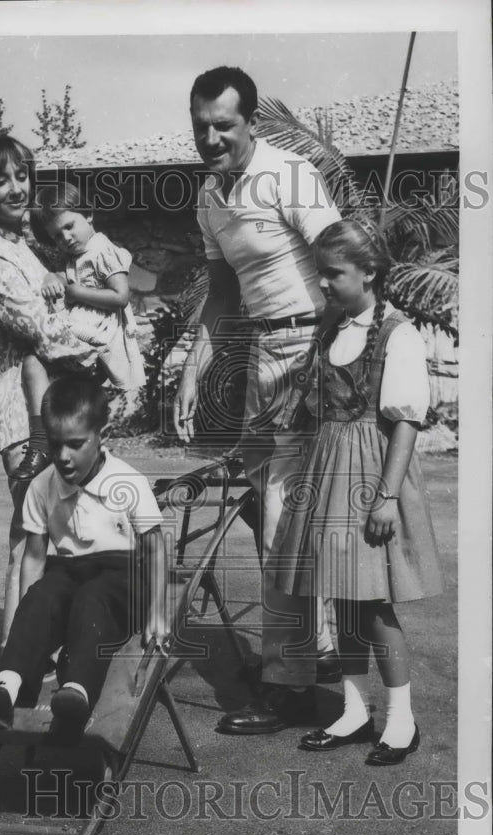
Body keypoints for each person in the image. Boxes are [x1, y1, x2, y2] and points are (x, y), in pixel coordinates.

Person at [174, 65, 343, 735]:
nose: (211, 138)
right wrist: (193, 368)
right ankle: (318, 644)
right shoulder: (210, 195)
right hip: (258, 357)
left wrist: (332, 361)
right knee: (258, 503)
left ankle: (292, 688)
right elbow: (221, 296)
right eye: (201, 127)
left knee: (282, 517)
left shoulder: (290, 174)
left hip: (309, 350)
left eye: (224, 125)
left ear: (250, 122)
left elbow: (341, 264)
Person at [271, 218, 442, 763]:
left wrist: (387, 496)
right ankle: (353, 709)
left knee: (371, 606)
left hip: (370, 476)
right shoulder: (332, 329)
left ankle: (401, 720)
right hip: (327, 471)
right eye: (319, 274)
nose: (322, 284)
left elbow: (406, 423)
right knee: (340, 600)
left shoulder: (398, 335)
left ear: (369, 272)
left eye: (333, 274)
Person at [0, 375, 168, 743]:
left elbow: (155, 548)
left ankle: (77, 695)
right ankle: (6, 693)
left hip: (121, 579)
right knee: (41, 596)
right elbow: (34, 558)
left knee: (92, 599)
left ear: (103, 434)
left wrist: (157, 612)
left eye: (75, 444)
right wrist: (29, 618)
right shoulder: (42, 486)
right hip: (69, 571)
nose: (64, 456)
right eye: (55, 446)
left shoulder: (128, 482)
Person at [0, 134, 97, 646]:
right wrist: (101, 359)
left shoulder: (22, 245)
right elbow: (41, 326)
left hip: (52, 405)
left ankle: (42, 653)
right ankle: (14, 661)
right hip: (24, 417)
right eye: (2, 180)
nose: (16, 188)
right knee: (29, 537)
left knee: (57, 535)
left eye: (22, 176)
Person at [23, 181, 145, 436]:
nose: (66, 238)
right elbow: (64, 277)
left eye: (69, 227)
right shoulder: (74, 255)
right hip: (85, 322)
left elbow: (121, 295)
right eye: (57, 235)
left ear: (88, 215)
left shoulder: (102, 249)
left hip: (102, 326)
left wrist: (78, 293)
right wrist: (50, 279)